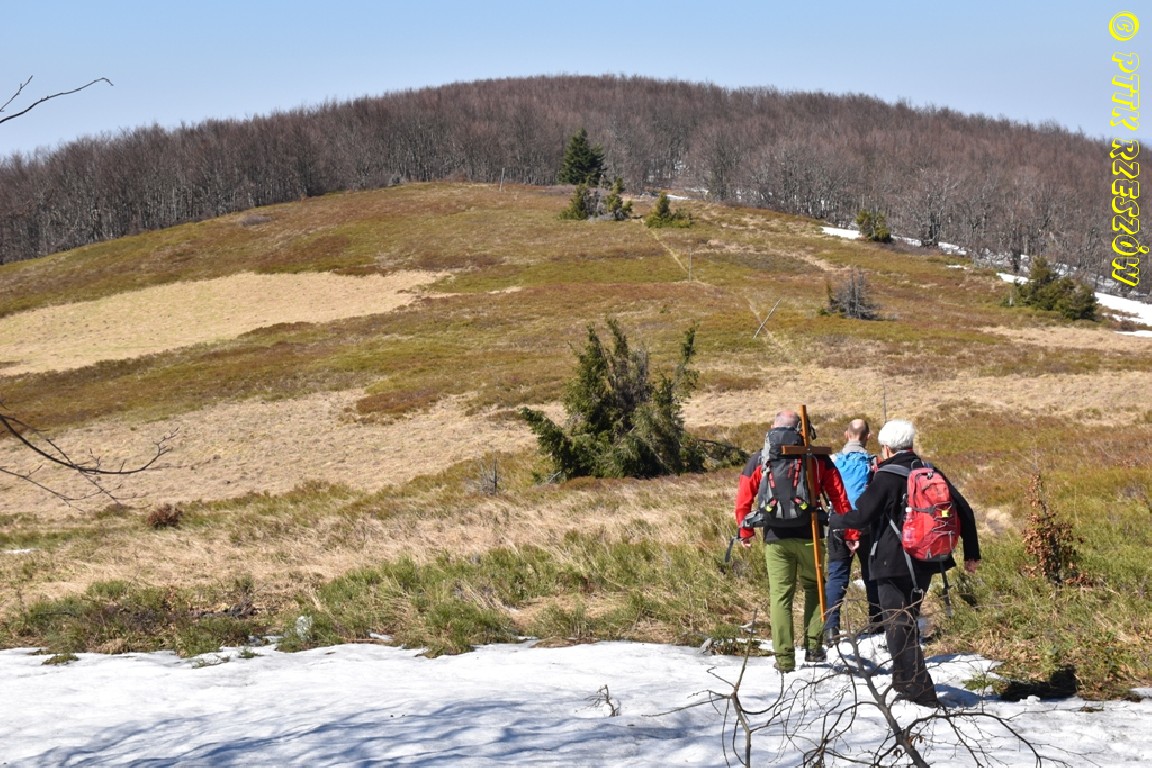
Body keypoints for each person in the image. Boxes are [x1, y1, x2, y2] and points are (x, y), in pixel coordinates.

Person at [839, 419, 981, 707]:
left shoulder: (886, 476)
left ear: (886, 448)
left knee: (898, 624)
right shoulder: (928, 470)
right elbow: (964, 509)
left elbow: (862, 516)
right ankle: (903, 682)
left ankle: (921, 691)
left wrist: (832, 520)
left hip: (891, 561)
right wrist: (971, 553)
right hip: (926, 560)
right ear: (911, 444)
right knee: (906, 620)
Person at [734, 410, 852, 673]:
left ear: (773, 426)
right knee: (815, 588)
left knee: (780, 596)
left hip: (775, 537)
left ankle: (785, 660)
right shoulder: (816, 457)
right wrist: (850, 533)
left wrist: (745, 532)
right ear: (802, 430)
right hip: (811, 534)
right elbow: (839, 497)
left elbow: (743, 498)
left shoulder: (761, 458)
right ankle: (814, 648)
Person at [825, 419, 882, 643]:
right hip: (867, 524)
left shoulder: (833, 461)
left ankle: (831, 630)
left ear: (846, 434)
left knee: (837, 576)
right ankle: (877, 624)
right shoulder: (874, 463)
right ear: (868, 437)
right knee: (872, 575)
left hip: (838, 523)